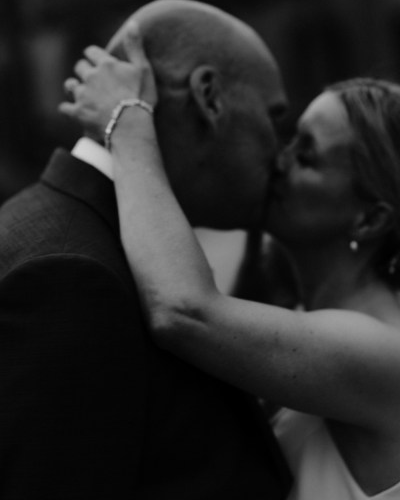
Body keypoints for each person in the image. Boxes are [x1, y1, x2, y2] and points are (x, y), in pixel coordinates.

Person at [62, 30, 400, 500]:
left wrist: (127, 118)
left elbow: (183, 309)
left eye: (307, 155)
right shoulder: (302, 314)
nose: (278, 161)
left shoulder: (383, 350)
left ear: (370, 218)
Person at [0, 0, 291, 499]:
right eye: (275, 118)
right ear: (209, 97)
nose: (281, 153)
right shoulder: (71, 275)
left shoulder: (82, 235)